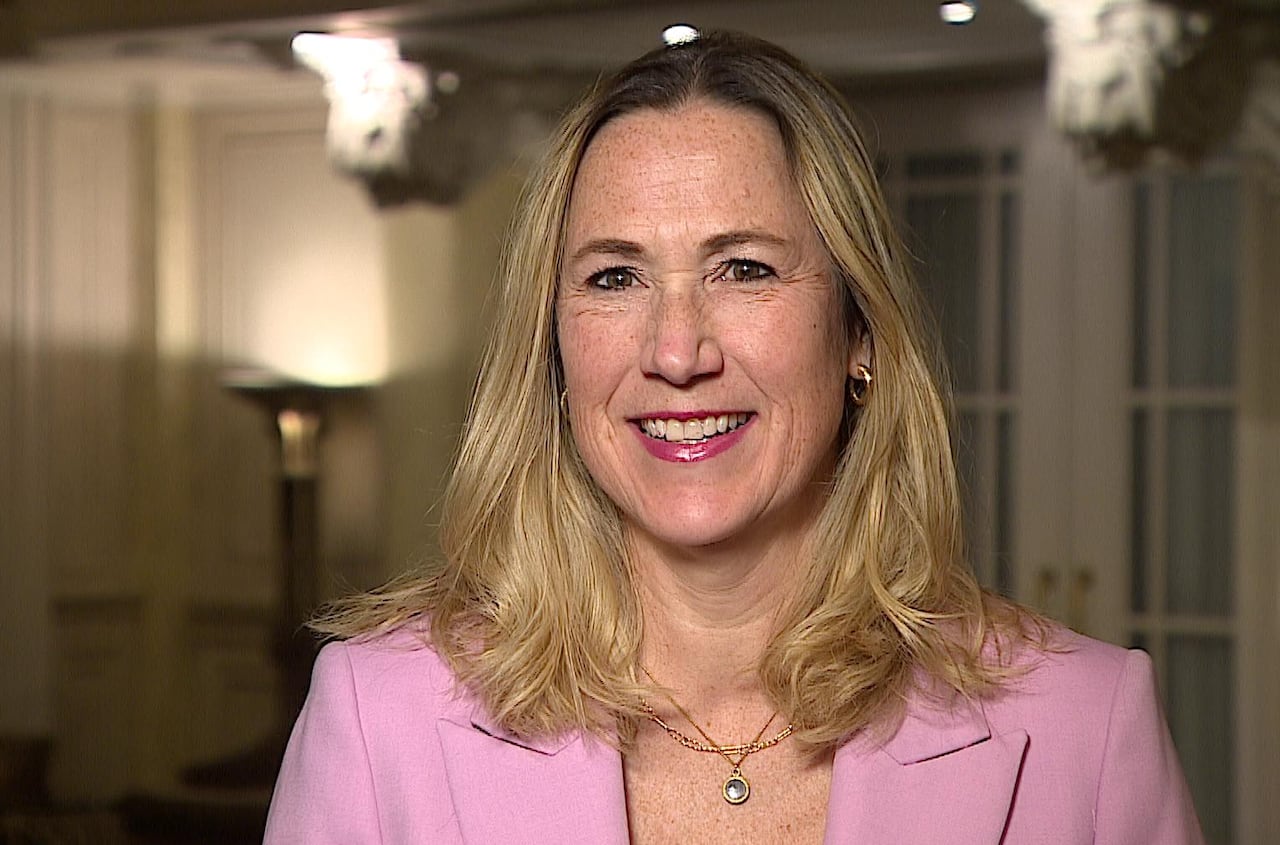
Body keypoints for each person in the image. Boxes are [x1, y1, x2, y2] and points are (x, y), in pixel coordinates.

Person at [263, 30, 1204, 844]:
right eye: (614, 278)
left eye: (744, 268)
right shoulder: (377, 714)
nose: (676, 351)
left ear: (858, 334)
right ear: (554, 349)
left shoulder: (1085, 725)